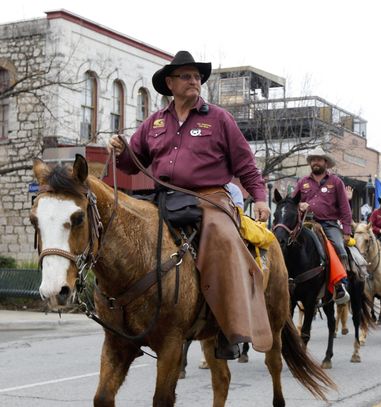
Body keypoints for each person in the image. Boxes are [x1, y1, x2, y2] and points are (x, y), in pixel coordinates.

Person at [108, 50, 272, 360]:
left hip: (211, 197)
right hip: (163, 196)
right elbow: (134, 164)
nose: (194, 81)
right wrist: (121, 151)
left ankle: (230, 328)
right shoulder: (154, 123)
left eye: (197, 76)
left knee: (223, 239)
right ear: (170, 83)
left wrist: (260, 197)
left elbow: (246, 164)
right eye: (186, 76)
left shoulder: (219, 118)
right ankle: (138, 317)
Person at [293, 147, 351, 304]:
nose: (315, 162)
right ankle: (289, 280)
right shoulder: (302, 182)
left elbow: (345, 208)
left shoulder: (336, 182)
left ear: (325, 162)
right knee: (289, 245)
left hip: (328, 224)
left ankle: (340, 286)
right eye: (313, 159)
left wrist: (346, 231)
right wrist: (300, 205)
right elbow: (292, 203)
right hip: (305, 223)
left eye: (318, 159)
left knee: (339, 248)